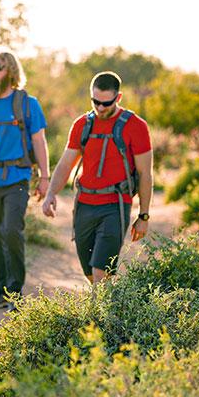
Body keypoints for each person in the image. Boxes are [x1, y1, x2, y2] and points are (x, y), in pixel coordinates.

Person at [41, 71, 152, 285]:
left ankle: (98, 318)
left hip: (115, 206)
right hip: (84, 205)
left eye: (106, 103)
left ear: (118, 98)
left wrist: (144, 216)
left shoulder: (136, 126)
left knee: (101, 270)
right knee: (91, 273)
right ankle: (110, 309)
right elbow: (66, 163)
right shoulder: (82, 125)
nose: (100, 108)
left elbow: (145, 174)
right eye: (95, 102)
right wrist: (50, 194)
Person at [0, 51, 49, 310]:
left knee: (10, 230)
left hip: (17, 178)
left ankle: (15, 292)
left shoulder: (27, 103)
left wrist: (45, 177)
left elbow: (39, 141)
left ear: (10, 70)